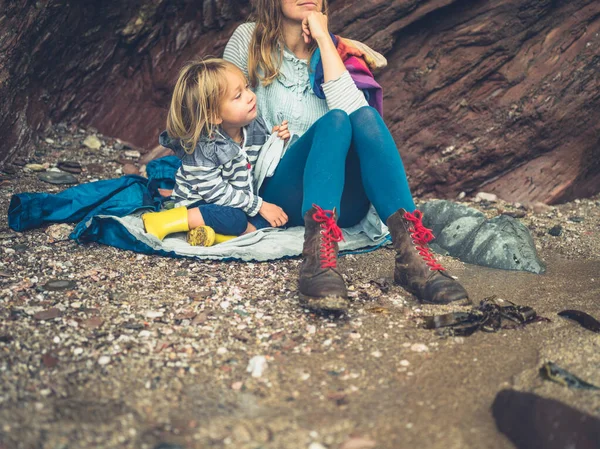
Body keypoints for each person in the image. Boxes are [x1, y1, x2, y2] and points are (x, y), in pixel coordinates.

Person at [223, 0, 469, 311]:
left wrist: (325, 40)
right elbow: (215, 112)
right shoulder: (248, 39)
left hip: (341, 203)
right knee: (333, 122)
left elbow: (357, 114)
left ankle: (413, 260)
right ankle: (318, 263)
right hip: (277, 197)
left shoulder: (336, 52)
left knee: (358, 118)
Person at [142, 58, 290, 246]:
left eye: (247, 87)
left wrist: (277, 142)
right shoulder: (204, 149)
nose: (250, 96)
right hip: (204, 202)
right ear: (214, 115)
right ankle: (165, 220)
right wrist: (259, 205)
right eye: (238, 96)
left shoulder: (254, 126)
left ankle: (215, 235)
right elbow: (215, 193)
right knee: (235, 219)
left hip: (238, 200)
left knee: (279, 218)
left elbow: (261, 164)